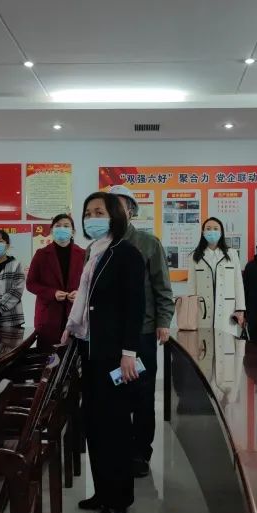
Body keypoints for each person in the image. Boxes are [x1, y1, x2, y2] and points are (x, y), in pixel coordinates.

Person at [61, 192, 145, 513]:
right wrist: (71, 328)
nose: (92, 218)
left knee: (114, 427)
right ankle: (102, 492)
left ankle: (118, 500)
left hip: (114, 354)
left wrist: (129, 353)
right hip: (90, 350)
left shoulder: (126, 253)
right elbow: (84, 301)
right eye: (88, 213)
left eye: (99, 212)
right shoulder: (94, 252)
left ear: (114, 216)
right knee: (94, 423)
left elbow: (135, 307)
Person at [107, 185, 175, 478]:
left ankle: (140, 453)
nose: (113, 211)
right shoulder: (100, 245)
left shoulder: (148, 244)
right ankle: (118, 449)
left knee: (143, 395)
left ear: (132, 211)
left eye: (119, 206)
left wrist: (163, 321)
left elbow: (163, 287)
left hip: (143, 332)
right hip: (109, 334)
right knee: (114, 394)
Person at [26, 214, 86, 349]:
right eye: (58, 226)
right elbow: (31, 283)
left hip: (75, 315)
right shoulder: (41, 254)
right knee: (47, 357)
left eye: (66, 226)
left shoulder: (83, 254)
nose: (62, 229)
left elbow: (90, 283)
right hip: (48, 316)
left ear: (73, 232)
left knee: (73, 357)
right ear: (52, 231)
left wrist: (80, 294)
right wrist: (52, 293)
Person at [186, 217, 246, 332]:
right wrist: (191, 309)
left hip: (227, 309)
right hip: (202, 309)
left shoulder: (232, 254)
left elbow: (238, 283)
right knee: (204, 340)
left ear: (221, 232)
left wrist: (240, 309)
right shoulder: (195, 256)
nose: (212, 232)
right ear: (203, 232)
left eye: (215, 229)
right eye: (208, 229)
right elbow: (191, 285)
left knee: (226, 340)